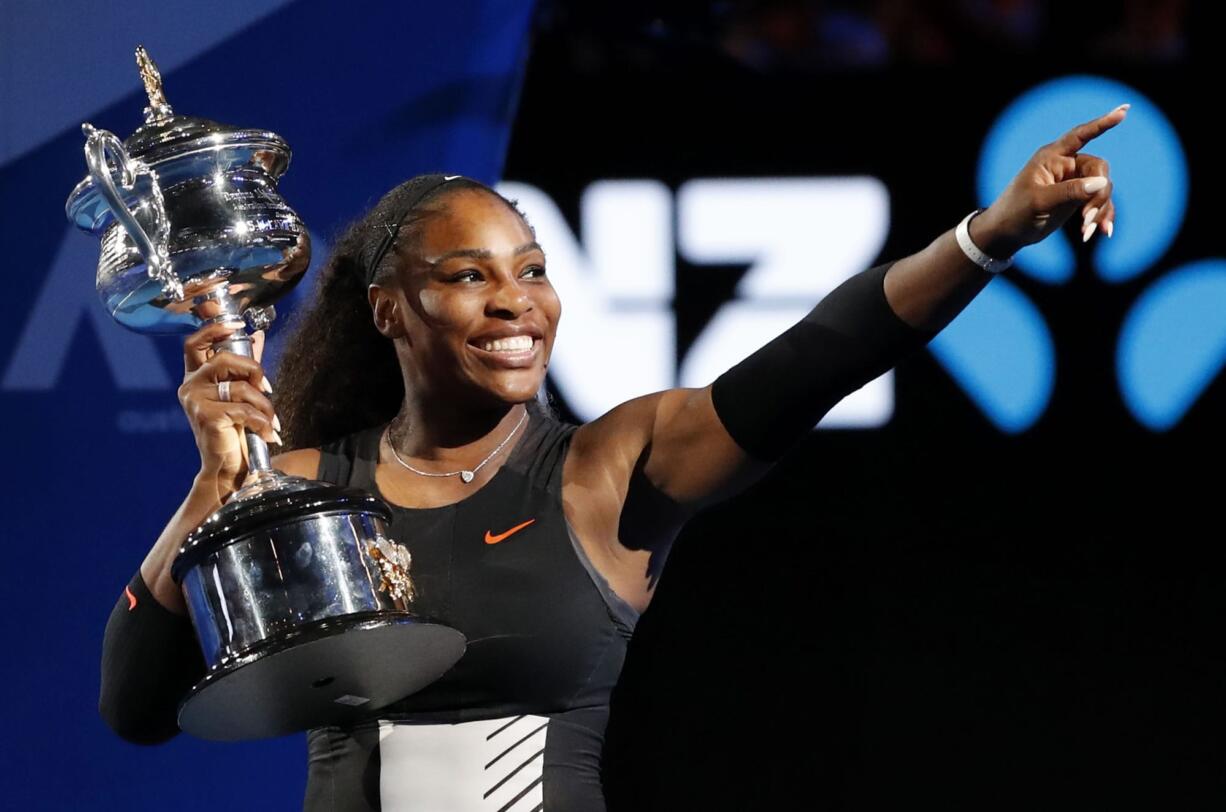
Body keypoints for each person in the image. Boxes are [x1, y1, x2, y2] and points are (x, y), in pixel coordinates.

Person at [99, 105, 1127, 811]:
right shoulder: (308, 483)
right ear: (387, 311)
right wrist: (209, 501)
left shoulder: (608, 468)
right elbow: (136, 710)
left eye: (532, 271)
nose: (515, 301)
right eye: (467, 275)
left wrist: (988, 233)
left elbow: (821, 354)